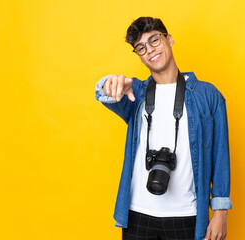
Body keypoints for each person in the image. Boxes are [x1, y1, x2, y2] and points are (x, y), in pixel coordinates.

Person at [95, 17, 233, 240]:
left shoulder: (208, 96)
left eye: (154, 40)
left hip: (187, 215)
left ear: (169, 39)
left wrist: (220, 213)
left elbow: (221, 157)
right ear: (139, 55)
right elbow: (106, 94)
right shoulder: (136, 92)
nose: (149, 50)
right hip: (137, 214)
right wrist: (108, 84)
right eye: (141, 47)